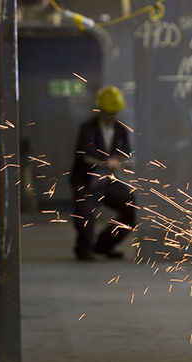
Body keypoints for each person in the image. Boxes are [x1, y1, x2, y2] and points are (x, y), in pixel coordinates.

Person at [70, 84, 135, 260]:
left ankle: (104, 244)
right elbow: (85, 155)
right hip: (87, 180)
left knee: (133, 207)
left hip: (108, 180)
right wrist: (107, 161)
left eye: (117, 112)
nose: (115, 115)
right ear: (101, 110)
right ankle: (84, 248)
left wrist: (124, 163)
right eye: (111, 112)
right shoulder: (88, 129)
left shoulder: (121, 129)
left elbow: (126, 154)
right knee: (85, 213)